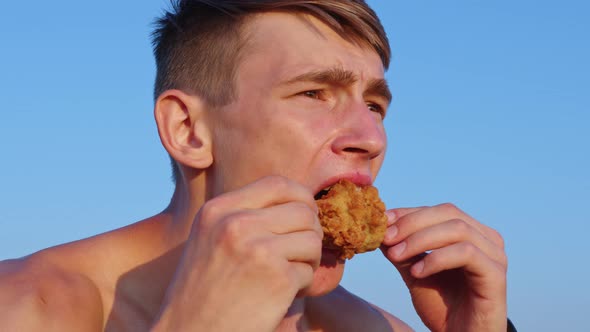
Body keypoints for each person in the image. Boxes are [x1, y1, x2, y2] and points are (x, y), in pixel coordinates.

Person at [0, 1, 509, 331]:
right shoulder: (29, 309)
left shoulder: (372, 327)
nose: (371, 139)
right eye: (314, 93)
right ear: (188, 130)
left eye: (374, 105)